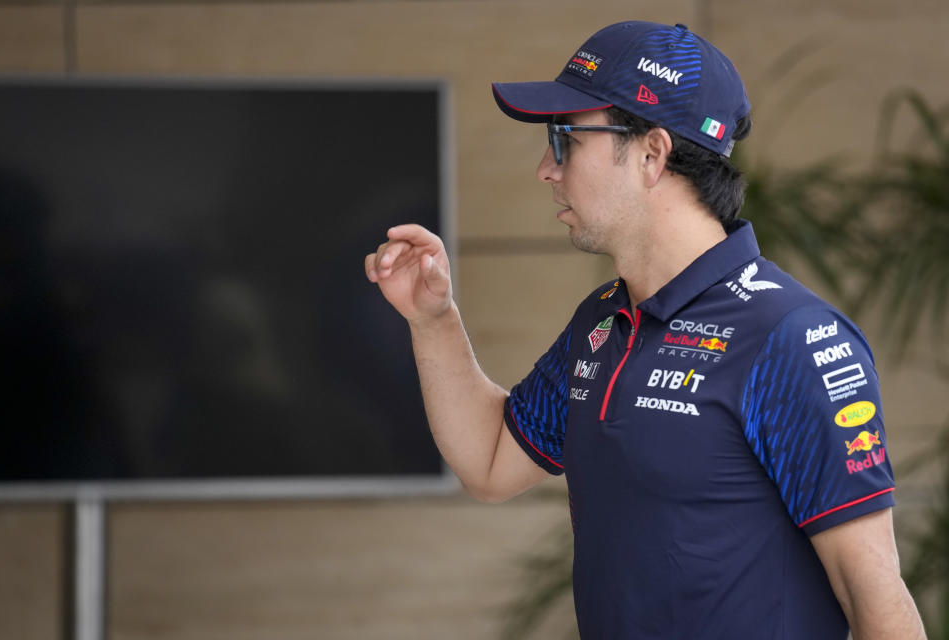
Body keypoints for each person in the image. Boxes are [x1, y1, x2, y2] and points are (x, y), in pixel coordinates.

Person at [364, 20, 926, 640]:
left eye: (565, 139)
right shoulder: (604, 319)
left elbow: (873, 596)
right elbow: (492, 462)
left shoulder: (790, 337)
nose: (546, 171)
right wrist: (432, 319)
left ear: (652, 154)